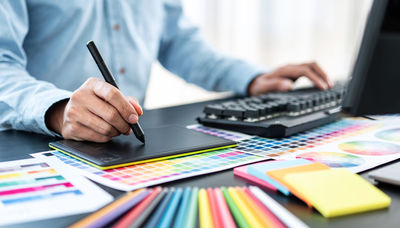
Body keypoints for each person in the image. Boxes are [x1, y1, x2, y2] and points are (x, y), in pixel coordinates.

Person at [0, 0, 333, 143]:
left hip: (126, 144)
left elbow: (177, 42)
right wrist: (59, 111)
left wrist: (252, 79)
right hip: (37, 146)